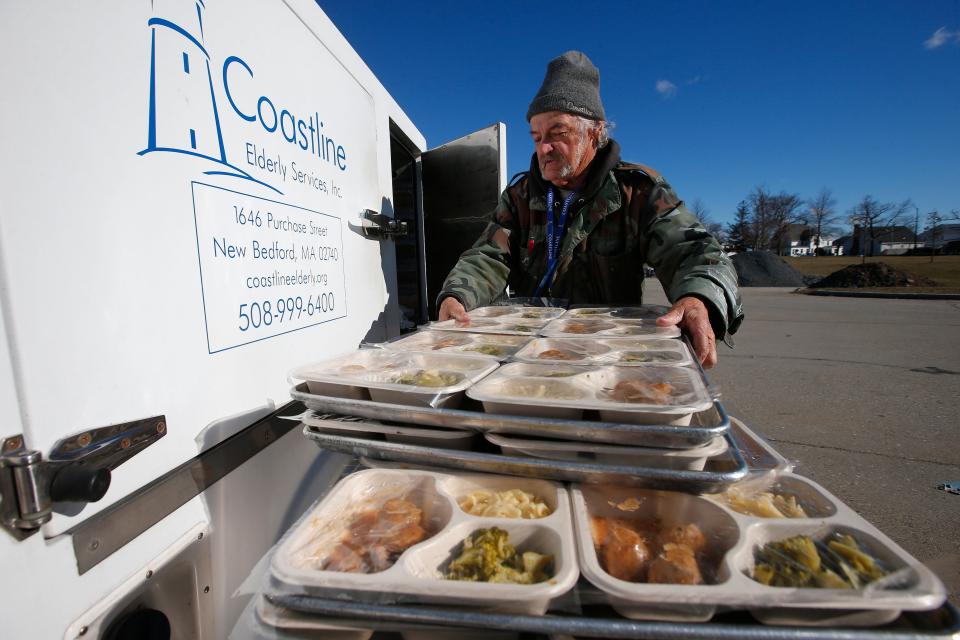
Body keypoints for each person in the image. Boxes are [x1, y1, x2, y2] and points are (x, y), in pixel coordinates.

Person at [437, 51, 743, 368]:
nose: (543, 148)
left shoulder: (636, 192)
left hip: (607, 352)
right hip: (533, 353)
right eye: (537, 136)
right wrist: (457, 295)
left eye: (558, 133)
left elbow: (692, 250)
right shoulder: (520, 196)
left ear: (594, 133)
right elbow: (488, 255)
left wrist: (699, 298)